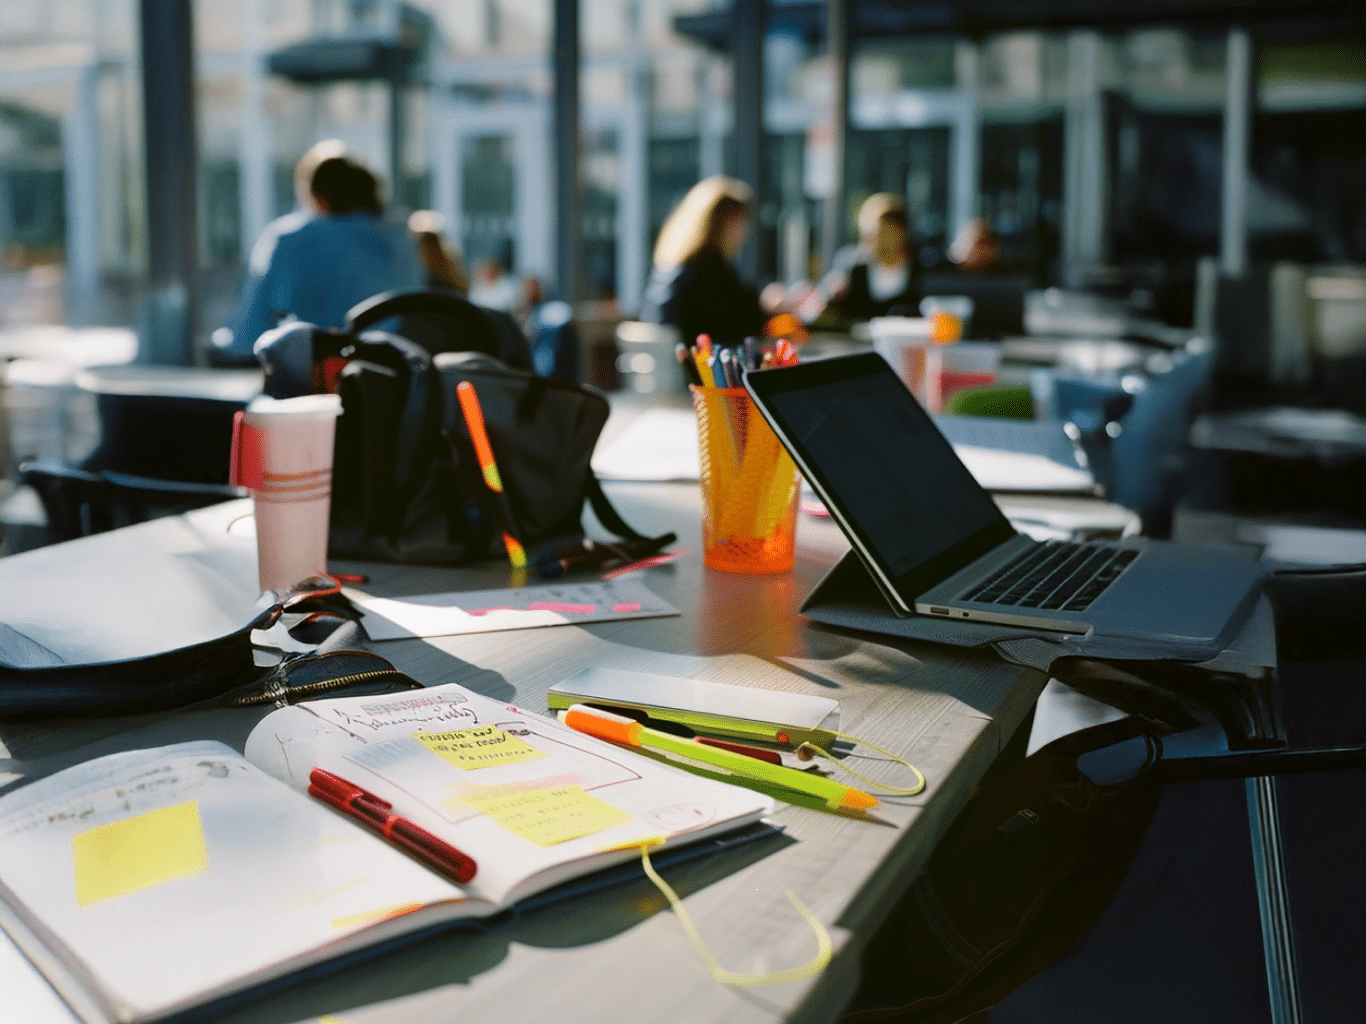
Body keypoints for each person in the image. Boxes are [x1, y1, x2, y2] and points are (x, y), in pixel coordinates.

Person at [213, 150, 422, 363]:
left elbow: (248, 333)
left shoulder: (291, 238)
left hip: (318, 373)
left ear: (317, 197)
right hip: (394, 370)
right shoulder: (405, 237)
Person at [641, 175, 765, 350]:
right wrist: (765, 305)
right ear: (722, 223)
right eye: (739, 220)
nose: (745, 230)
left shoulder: (674, 269)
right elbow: (739, 325)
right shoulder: (710, 272)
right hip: (703, 372)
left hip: (677, 369)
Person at [799, 192, 918, 325]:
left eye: (877, 233)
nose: (868, 241)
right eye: (865, 233)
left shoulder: (923, 271)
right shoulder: (851, 267)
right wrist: (827, 299)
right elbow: (812, 311)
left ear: (900, 232)